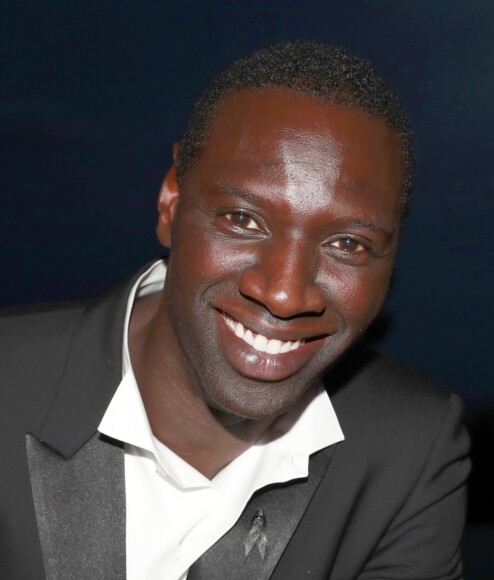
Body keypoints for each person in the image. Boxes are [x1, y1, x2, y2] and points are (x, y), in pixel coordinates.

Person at [0, 40, 470, 579]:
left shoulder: (410, 448)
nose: (286, 294)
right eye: (243, 220)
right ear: (171, 201)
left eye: (349, 245)